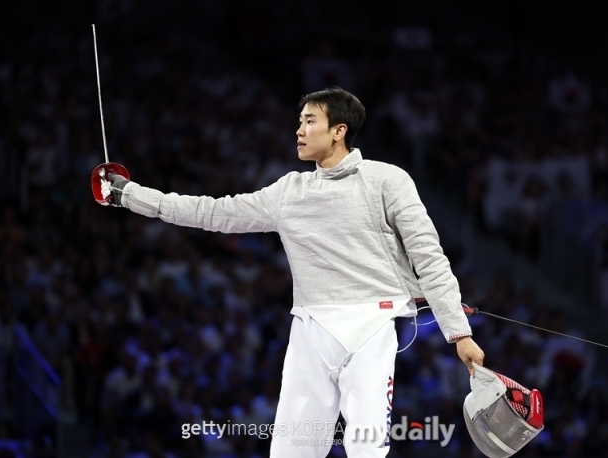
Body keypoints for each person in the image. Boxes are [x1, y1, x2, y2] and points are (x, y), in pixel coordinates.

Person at [97, 87, 485, 457]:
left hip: (371, 328)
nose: (299, 130)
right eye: (299, 121)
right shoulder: (288, 193)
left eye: (310, 121)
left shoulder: (387, 180)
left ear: (339, 131)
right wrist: (128, 194)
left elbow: (429, 257)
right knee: (291, 449)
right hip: (310, 329)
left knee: (367, 447)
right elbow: (209, 212)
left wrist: (459, 333)